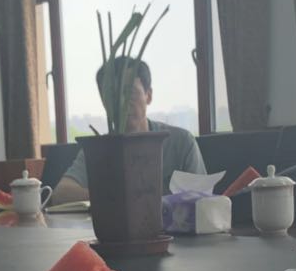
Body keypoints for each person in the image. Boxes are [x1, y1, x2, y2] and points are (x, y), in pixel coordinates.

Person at [50, 57, 207, 205]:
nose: (121, 103)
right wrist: (116, 198)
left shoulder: (181, 142)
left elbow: (203, 201)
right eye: (112, 95)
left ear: (148, 95)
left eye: (129, 93)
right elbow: (61, 194)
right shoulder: (98, 148)